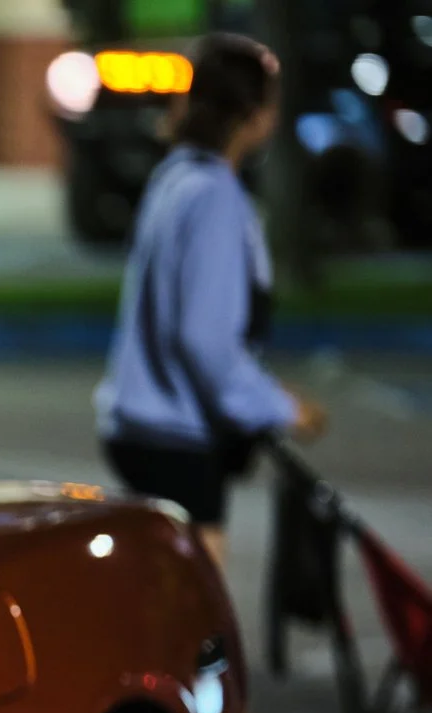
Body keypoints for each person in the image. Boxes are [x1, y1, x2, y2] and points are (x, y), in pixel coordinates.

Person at [95, 33, 325, 565]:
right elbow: (204, 337)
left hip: (140, 426)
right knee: (197, 630)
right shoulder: (214, 195)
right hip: (176, 439)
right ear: (255, 113)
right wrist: (278, 407)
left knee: (165, 610)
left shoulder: (174, 177)